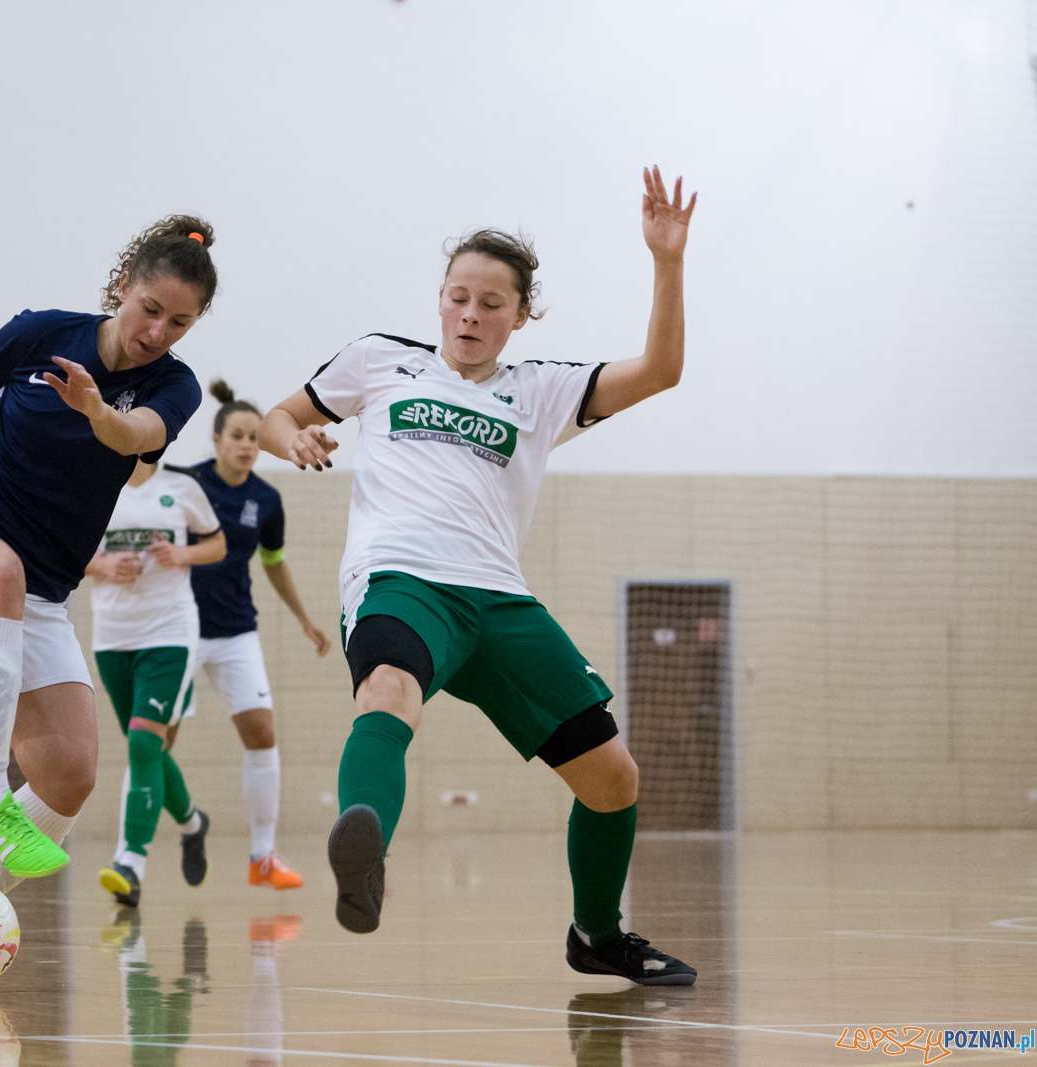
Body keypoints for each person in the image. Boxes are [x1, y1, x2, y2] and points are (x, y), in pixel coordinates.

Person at [258, 168, 700, 985]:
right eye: (458, 296)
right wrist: (292, 439)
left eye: (492, 303)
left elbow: (662, 370)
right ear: (439, 300)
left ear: (520, 316)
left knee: (612, 778)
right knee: (389, 689)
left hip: (499, 601)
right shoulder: (378, 361)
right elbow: (278, 415)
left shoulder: (542, 390)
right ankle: (367, 851)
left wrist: (666, 261)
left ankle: (597, 933)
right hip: (400, 581)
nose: (471, 313)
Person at [0, 215, 216, 885]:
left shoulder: (174, 386)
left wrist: (98, 412)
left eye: (179, 323)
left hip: (38, 593)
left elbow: (135, 435)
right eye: (150, 309)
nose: (157, 332)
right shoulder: (43, 332)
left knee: (69, 774)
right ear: (122, 286)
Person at [171, 379, 331, 890]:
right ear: (217, 440)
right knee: (155, 743)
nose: (246, 445)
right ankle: (179, 828)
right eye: (236, 435)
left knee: (263, 734)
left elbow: (275, 563)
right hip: (180, 629)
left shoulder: (267, 499)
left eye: (255, 438)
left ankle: (263, 855)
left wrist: (305, 619)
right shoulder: (184, 484)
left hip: (237, 630)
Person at [88, 458, 226, 907]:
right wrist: (102, 566)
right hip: (112, 634)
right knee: (145, 744)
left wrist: (184, 554)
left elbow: (218, 543)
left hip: (169, 632)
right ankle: (191, 823)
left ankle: (130, 860)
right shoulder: (91, 480)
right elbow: (64, 551)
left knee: (143, 744)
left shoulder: (182, 487)